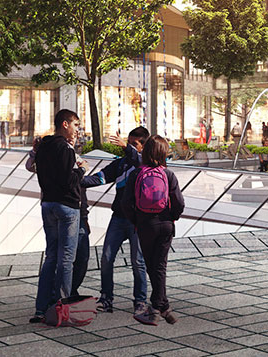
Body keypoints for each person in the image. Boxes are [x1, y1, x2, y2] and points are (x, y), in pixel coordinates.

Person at [30, 109, 86, 325]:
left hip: (48, 205)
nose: (77, 130)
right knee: (66, 259)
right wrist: (81, 170)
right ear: (65, 124)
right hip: (67, 207)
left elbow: (37, 171)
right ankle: (62, 307)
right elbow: (69, 180)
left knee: (51, 256)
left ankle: (41, 308)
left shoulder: (43, 146)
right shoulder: (66, 149)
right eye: (76, 125)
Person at [123, 136, 185, 326]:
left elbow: (126, 203)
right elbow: (180, 203)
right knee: (159, 266)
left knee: (152, 266)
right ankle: (164, 307)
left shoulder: (136, 174)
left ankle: (157, 308)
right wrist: (171, 217)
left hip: (145, 225)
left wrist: (137, 220)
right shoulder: (168, 174)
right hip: (165, 224)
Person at [95, 126, 150, 314]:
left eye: (134, 144)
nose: (129, 147)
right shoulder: (121, 164)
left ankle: (140, 301)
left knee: (138, 261)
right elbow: (100, 178)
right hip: (118, 218)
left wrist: (127, 149)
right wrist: (75, 180)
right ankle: (106, 299)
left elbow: (138, 160)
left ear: (144, 146)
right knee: (106, 258)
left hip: (137, 221)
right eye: (129, 143)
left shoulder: (145, 164)